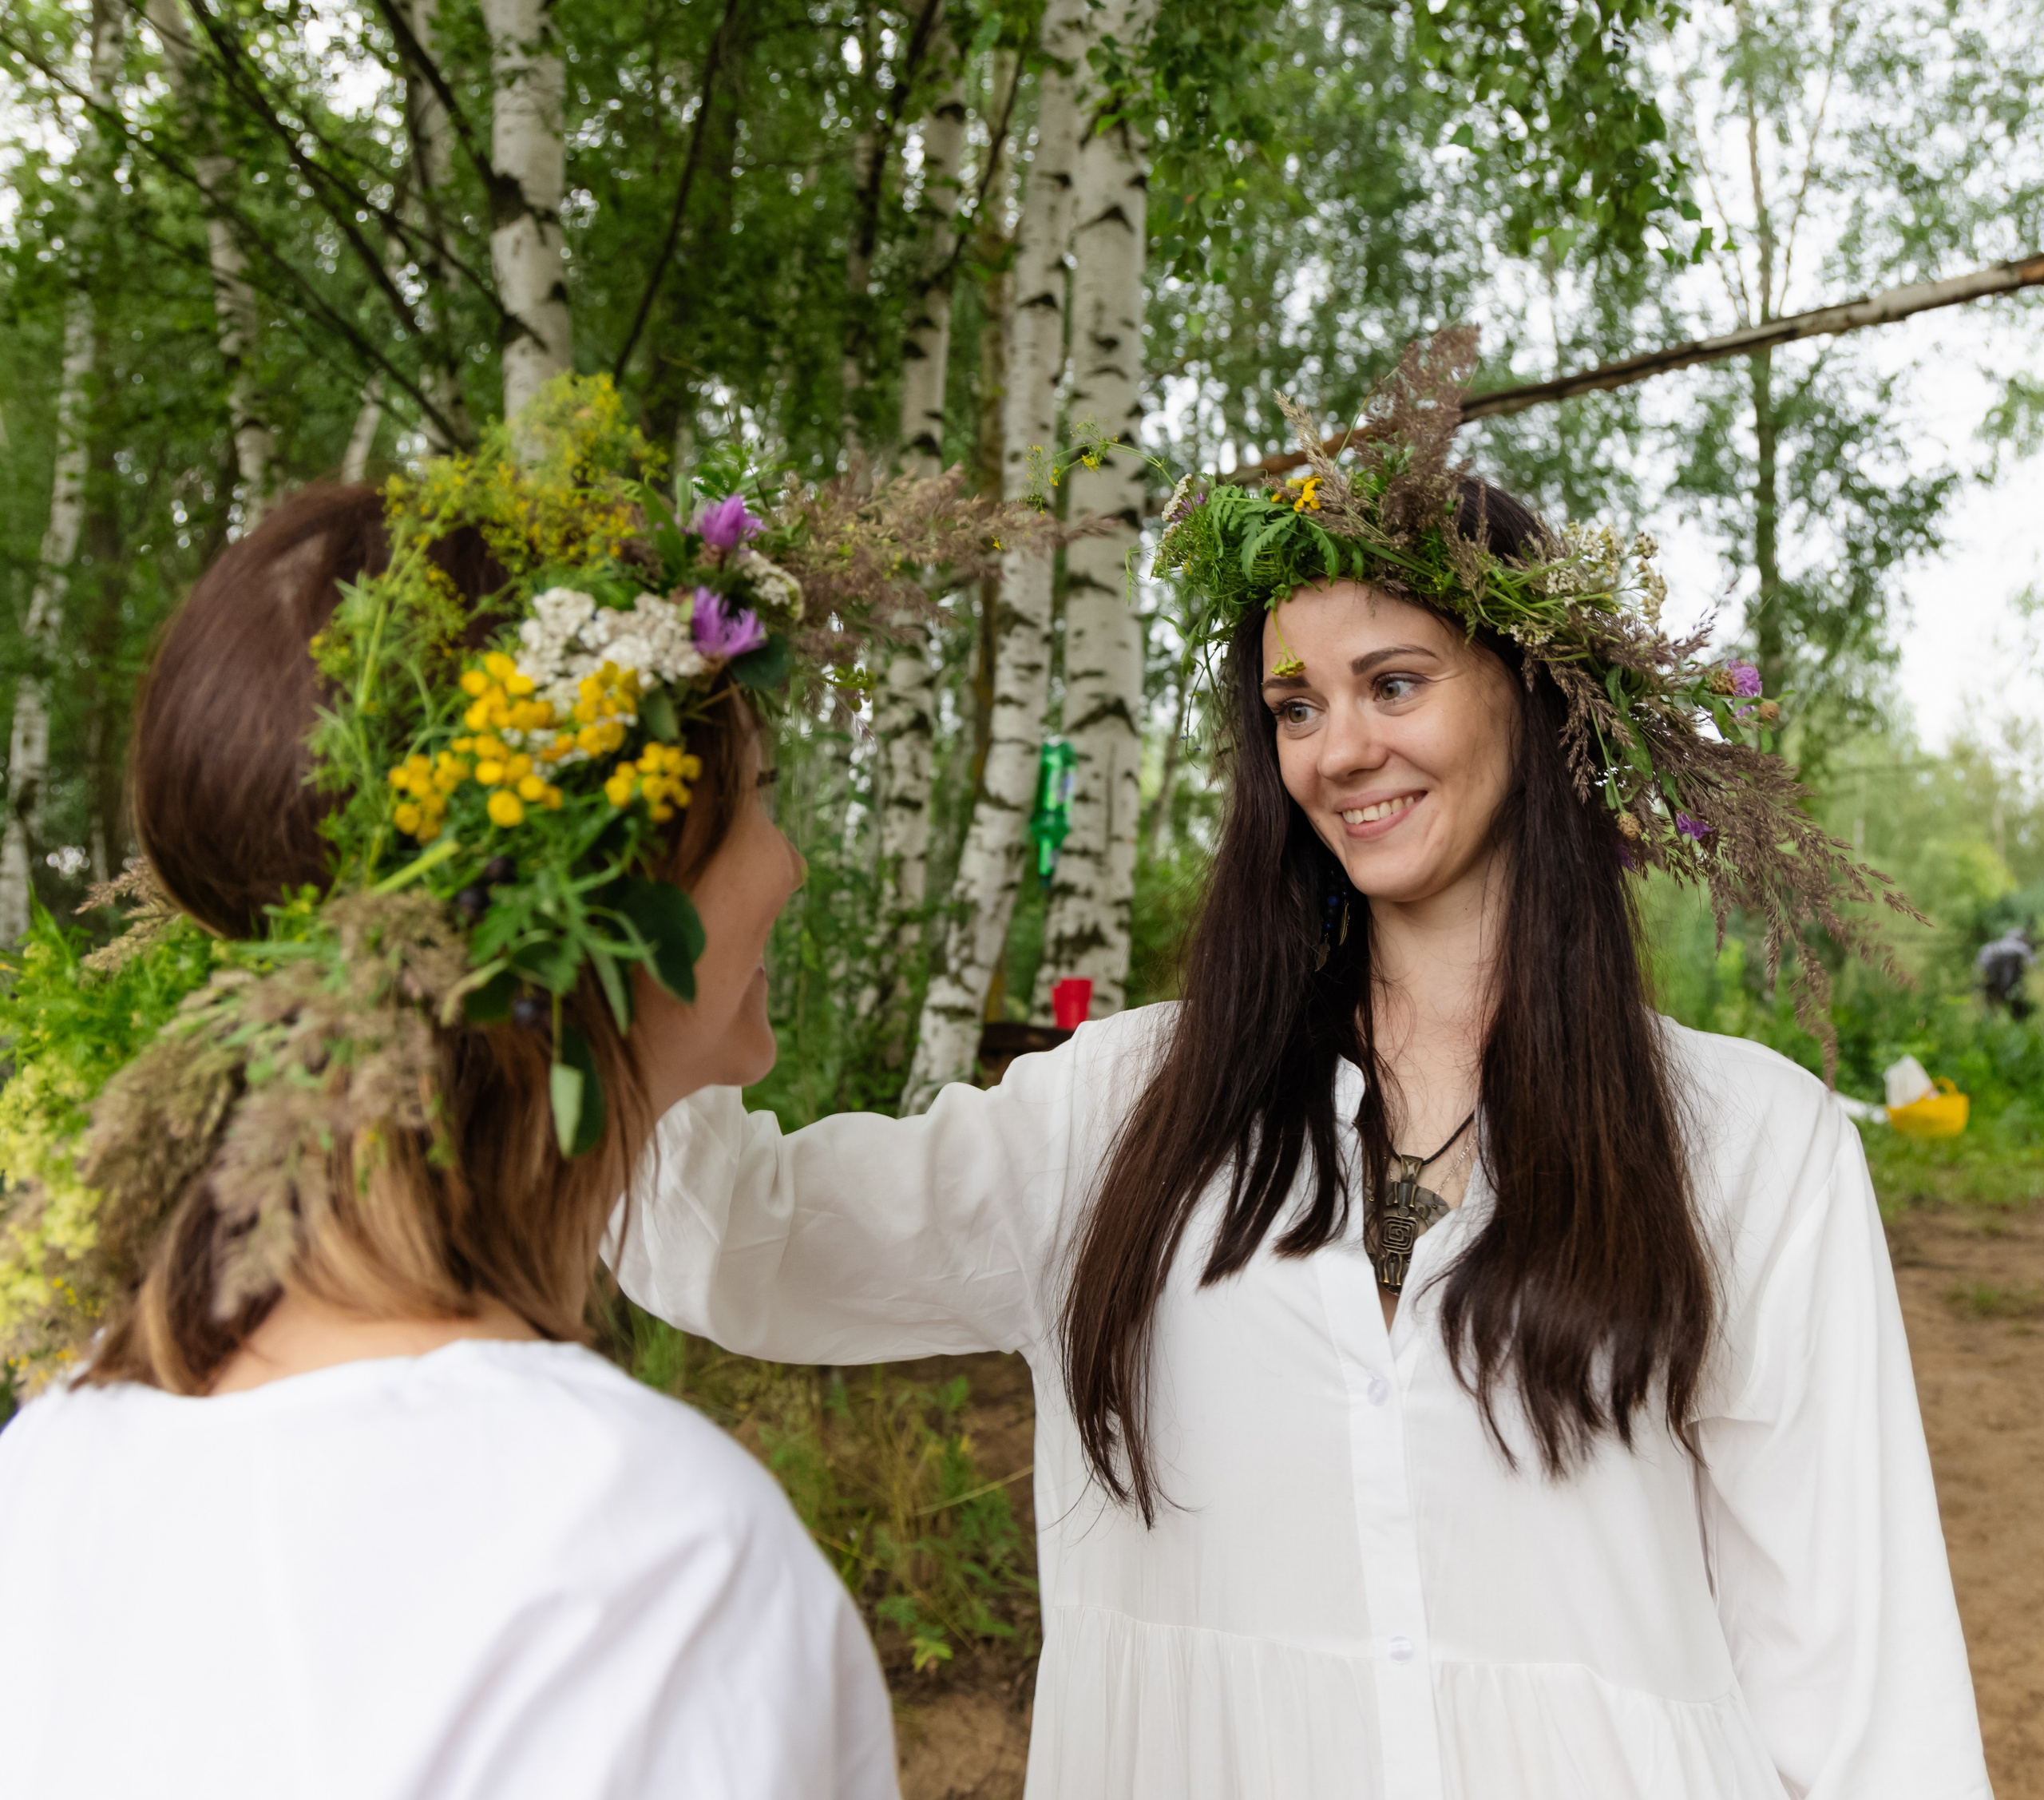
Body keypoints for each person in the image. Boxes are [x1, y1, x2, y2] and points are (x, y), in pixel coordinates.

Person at [612, 341, 1991, 1800]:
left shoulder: (1751, 1146)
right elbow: (739, 1243)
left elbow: (1857, 1682)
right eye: (1295, 707)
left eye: (1393, 682)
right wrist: (595, 869)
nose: (1341, 749)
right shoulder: (1119, 1113)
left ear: (1530, 696)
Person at [0, 393, 922, 1800]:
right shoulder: (652, 1568)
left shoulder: (57, 1460)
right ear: (611, 896)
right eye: (759, 795)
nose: (789, 866)